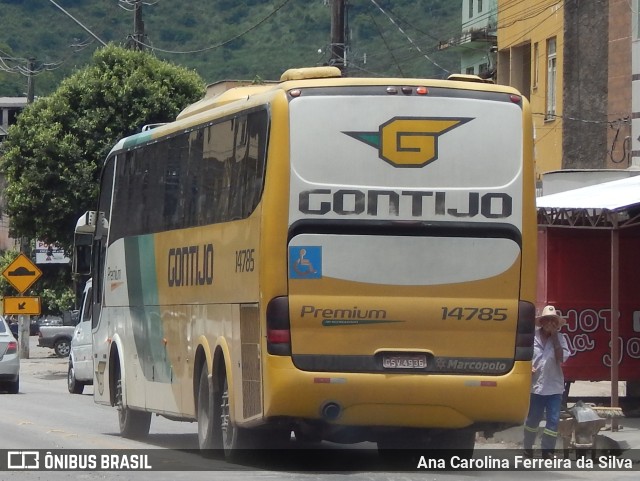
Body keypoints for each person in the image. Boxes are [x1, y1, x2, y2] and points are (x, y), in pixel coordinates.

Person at [523, 305, 571, 459]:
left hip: (554, 386)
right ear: (542, 322)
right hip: (535, 387)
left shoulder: (561, 338)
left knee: (553, 420)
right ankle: (528, 447)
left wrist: (555, 336)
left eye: (553, 320)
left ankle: (547, 451)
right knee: (533, 419)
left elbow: (561, 358)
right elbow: (523, 357)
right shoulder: (532, 338)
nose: (550, 323)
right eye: (547, 320)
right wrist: (527, 367)